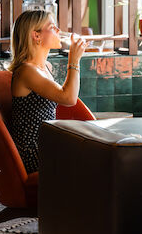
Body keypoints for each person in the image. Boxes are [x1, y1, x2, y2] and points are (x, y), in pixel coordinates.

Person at [8, 10, 87, 173]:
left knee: (98, 153)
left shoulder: (45, 67)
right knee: (93, 157)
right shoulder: (26, 71)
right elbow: (69, 98)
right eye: (52, 27)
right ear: (36, 36)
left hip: (48, 143)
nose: (58, 30)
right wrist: (74, 60)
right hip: (34, 151)